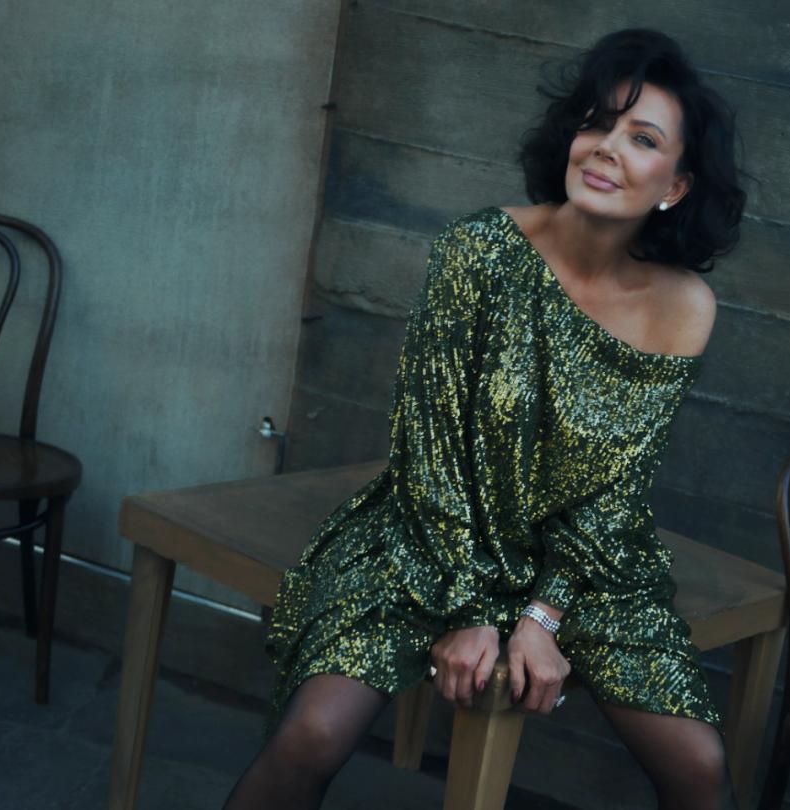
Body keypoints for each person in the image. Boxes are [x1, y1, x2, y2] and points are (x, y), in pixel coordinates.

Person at [224, 26, 748, 810]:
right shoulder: (480, 250)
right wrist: (471, 611)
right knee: (313, 735)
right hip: (436, 537)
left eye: (642, 139)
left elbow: (616, 490)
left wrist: (542, 614)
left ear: (675, 184)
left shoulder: (684, 306)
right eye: (597, 123)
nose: (606, 148)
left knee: (699, 766)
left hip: (583, 561)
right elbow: (431, 451)